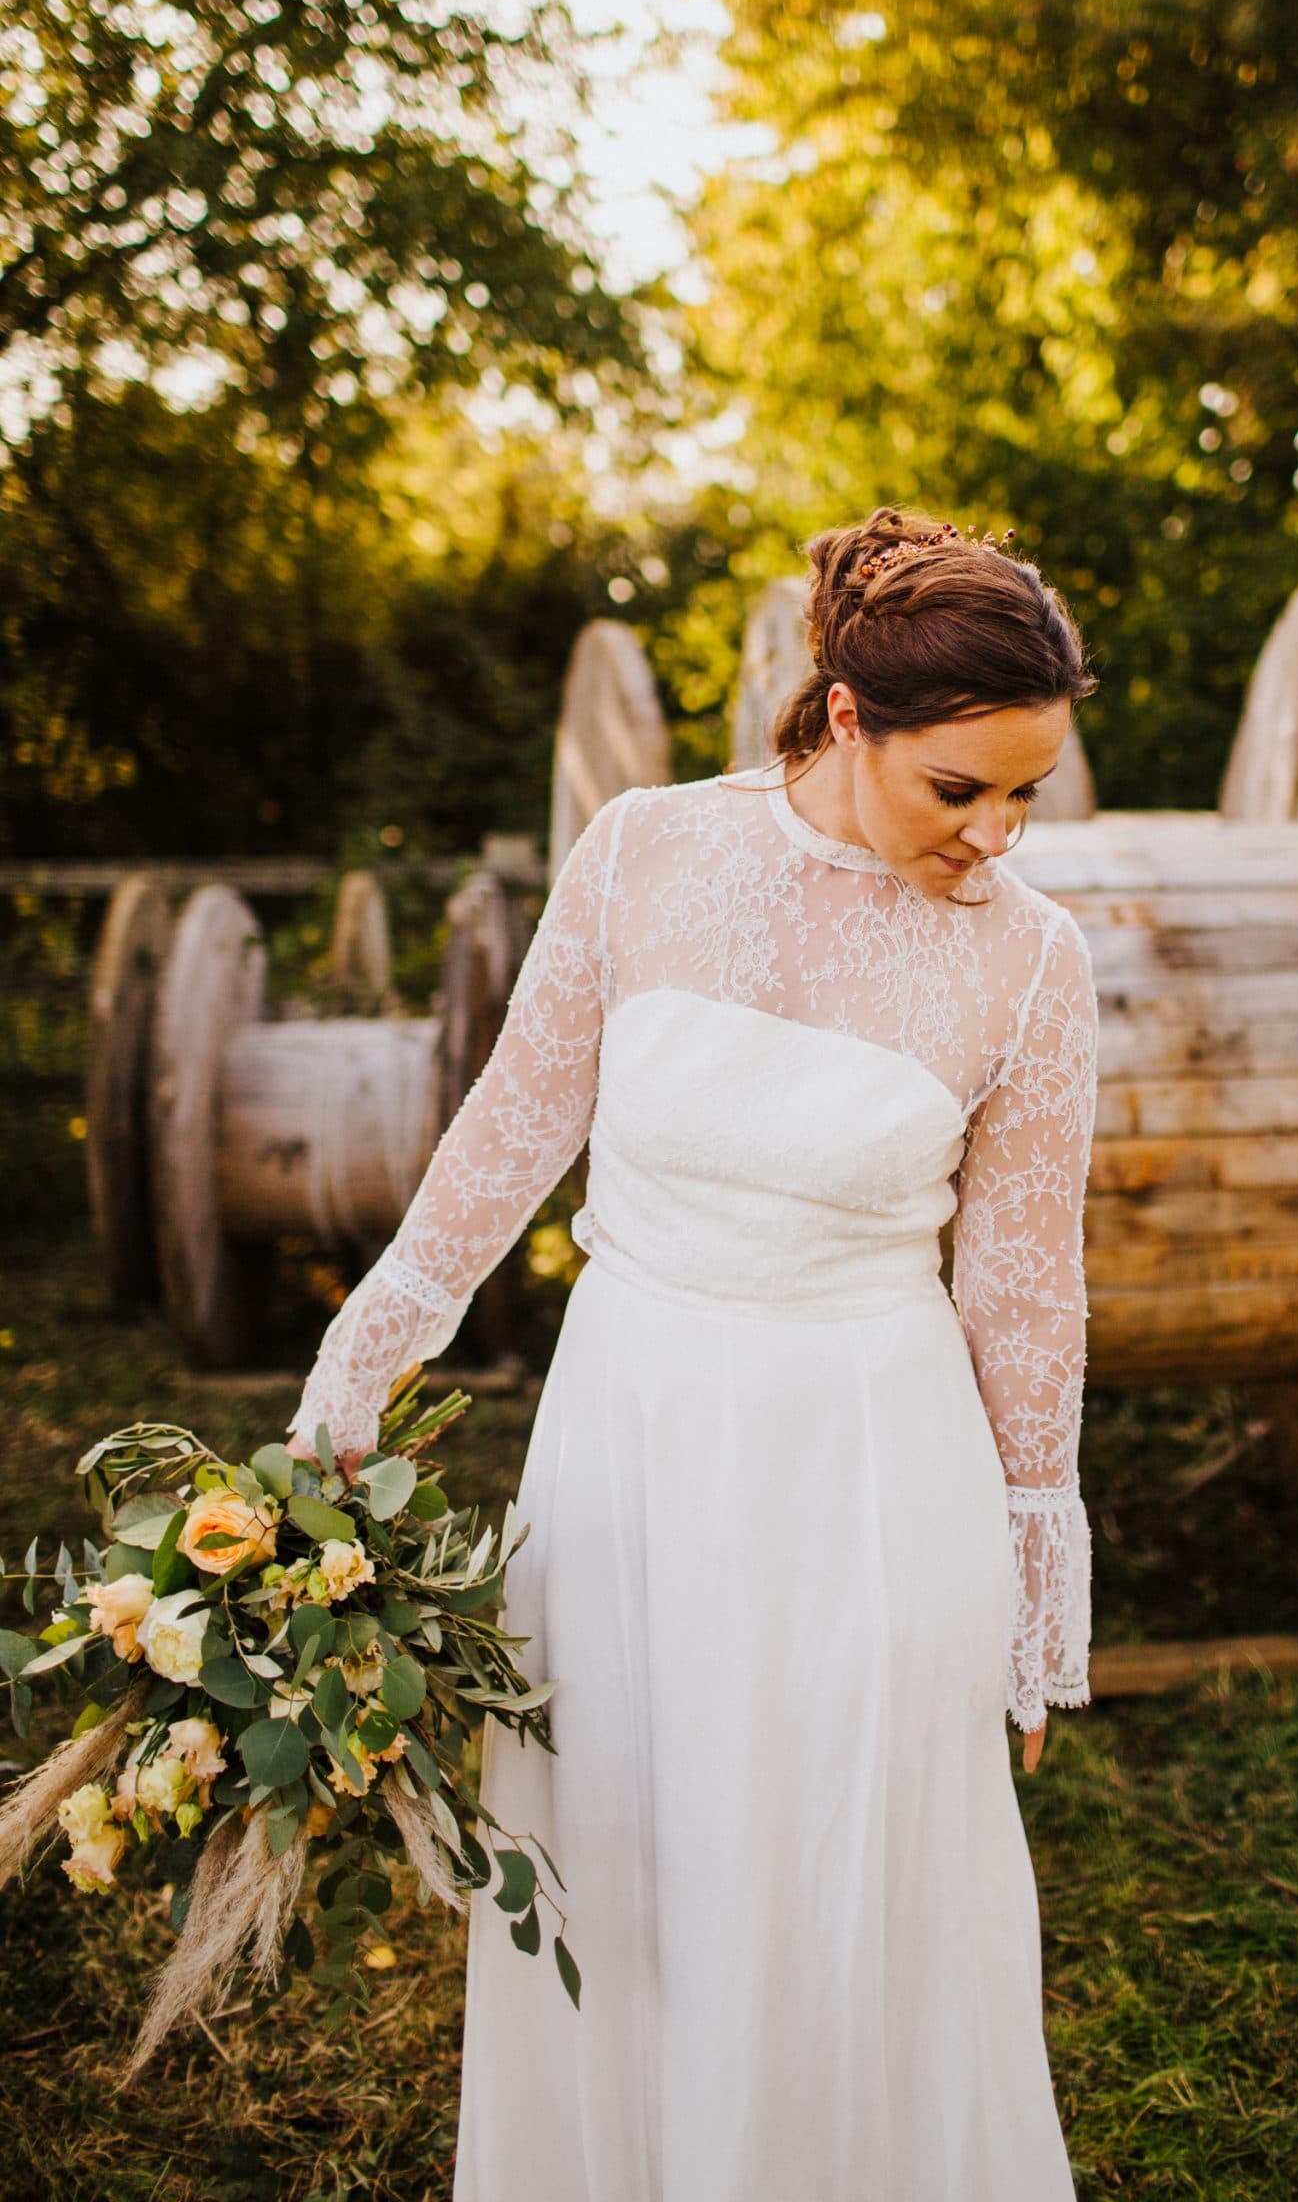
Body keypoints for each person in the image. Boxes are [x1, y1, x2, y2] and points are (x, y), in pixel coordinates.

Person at [285, 504, 1102, 2200]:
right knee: (625, 1856)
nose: (998, 835)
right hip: (630, 1443)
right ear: (849, 715)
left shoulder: (1033, 961)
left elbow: (1024, 1293)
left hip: (865, 1470)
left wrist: (1036, 1579)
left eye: (1029, 793)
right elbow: (512, 1128)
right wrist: (366, 1356)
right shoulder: (644, 851)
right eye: (962, 788)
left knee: (828, 1873)